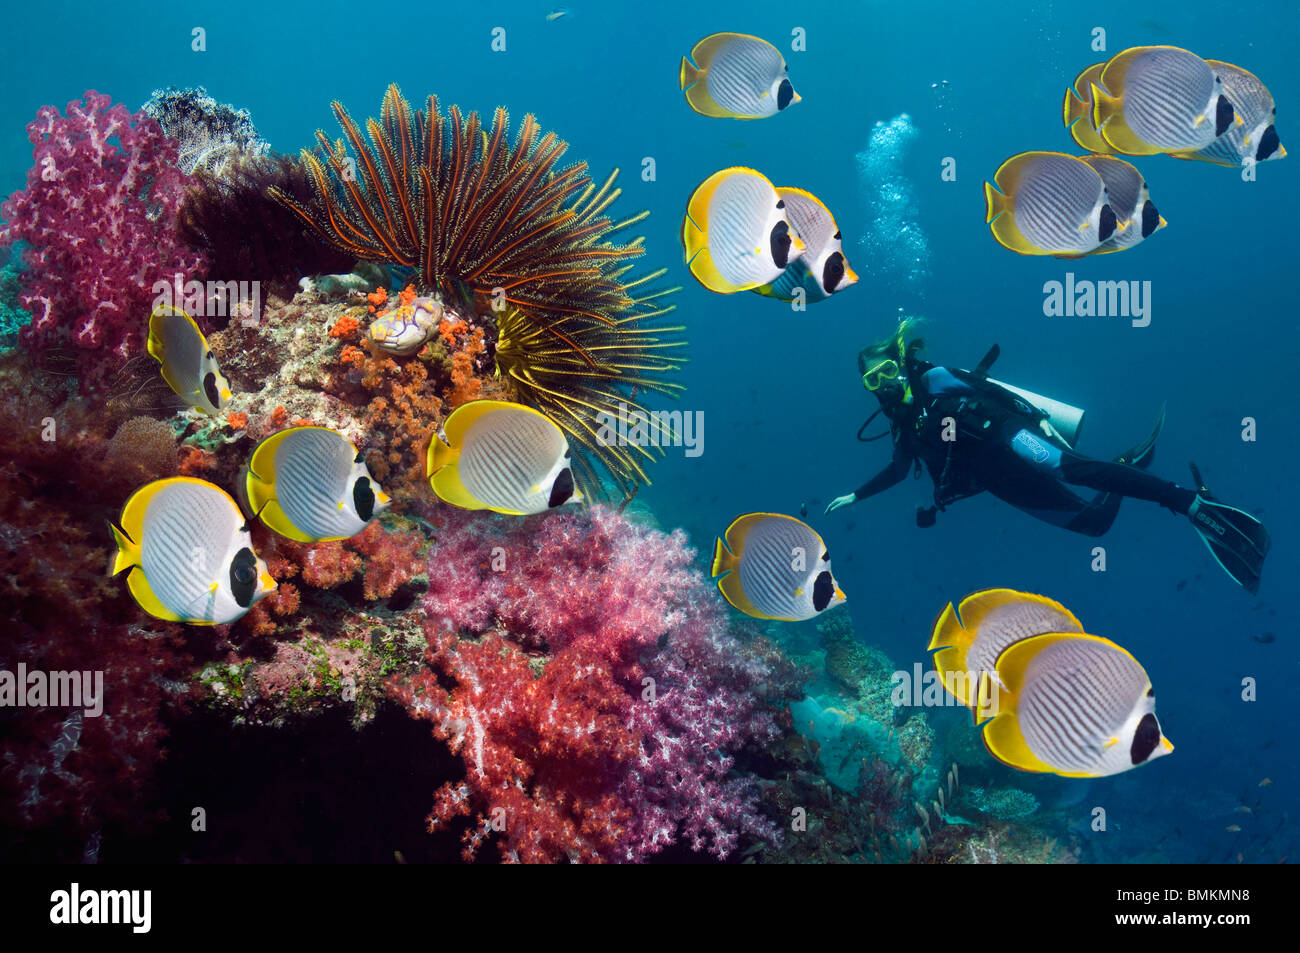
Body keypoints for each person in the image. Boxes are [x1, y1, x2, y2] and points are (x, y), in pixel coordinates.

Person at [825, 319, 1270, 593]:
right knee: (1093, 524)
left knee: (1067, 467)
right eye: (871, 381)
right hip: (994, 479)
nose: (881, 383)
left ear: (900, 363)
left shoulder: (935, 379)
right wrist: (856, 495)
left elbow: (995, 393)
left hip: (1005, 434)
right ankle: (1130, 462)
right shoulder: (904, 427)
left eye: (885, 371)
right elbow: (900, 471)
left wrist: (1040, 421)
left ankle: (1187, 502)